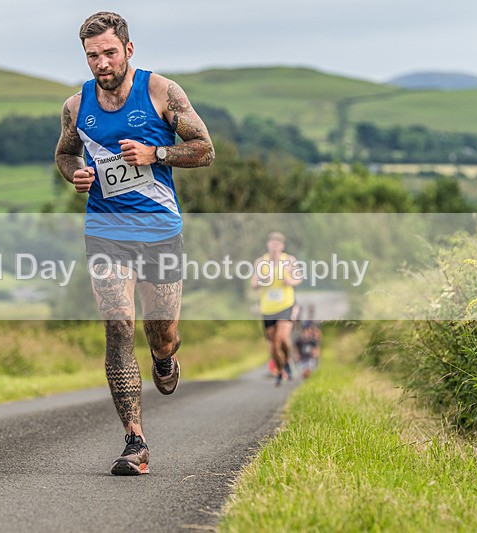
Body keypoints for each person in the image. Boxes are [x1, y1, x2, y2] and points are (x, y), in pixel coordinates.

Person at [54, 11, 214, 476]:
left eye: (108, 52)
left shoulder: (162, 92)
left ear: (128, 49)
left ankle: (165, 358)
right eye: (91, 56)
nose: (101, 63)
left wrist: (156, 153)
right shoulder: (75, 105)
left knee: (159, 332)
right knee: (118, 325)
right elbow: (65, 153)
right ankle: (135, 442)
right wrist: (76, 174)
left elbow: (205, 149)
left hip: (160, 230)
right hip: (106, 230)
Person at [251, 231, 303, 386]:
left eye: (278, 243)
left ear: (282, 246)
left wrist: (290, 281)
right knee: (273, 344)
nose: (274, 246)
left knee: (282, 338)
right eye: (272, 243)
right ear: (268, 244)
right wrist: (261, 281)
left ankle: (287, 361)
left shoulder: (289, 260)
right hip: (267, 308)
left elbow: (298, 278)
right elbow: (253, 284)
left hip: (286, 304)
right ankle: (281, 369)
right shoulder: (261, 262)